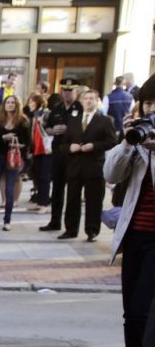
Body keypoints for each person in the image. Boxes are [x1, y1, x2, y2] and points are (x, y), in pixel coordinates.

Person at [97, 74, 155, 347]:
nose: (150, 111)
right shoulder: (136, 139)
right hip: (135, 235)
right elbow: (110, 175)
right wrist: (127, 143)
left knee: (146, 312)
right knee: (131, 313)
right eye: (147, 104)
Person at [60, 89, 117, 242]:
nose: (89, 101)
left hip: (94, 166)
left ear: (97, 101)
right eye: (86, 98)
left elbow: (112, 141)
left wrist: (94, 145)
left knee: (93, 200)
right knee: (72, 199)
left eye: (92, 98)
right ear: (82, 101)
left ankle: (92, 230)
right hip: (75, 166)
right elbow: (64, 144)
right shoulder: (74, 120)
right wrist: (70, 147)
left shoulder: (105, 121)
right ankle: (70, 229)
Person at [40, 79, 83, 232]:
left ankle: (71, 227)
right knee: (57, 189)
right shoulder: (57, 108)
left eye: (70, 90)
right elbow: (48, 127)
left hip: (73, 154)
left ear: (76, 91)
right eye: (64, 90)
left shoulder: (80, 108)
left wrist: (68, 129)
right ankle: (55, 221)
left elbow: (84, 129)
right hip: (58, 152)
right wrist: (52, 130)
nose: (67, 93)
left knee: (73, 192)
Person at [0, 94, 30, 231]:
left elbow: (28, 141)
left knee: (10, 191)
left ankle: (7, 220)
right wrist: (4, 137)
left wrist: (20, 146)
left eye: (13, 102)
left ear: (17, 105)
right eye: (8, 102)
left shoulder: (22, 121)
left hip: (13, 159)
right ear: (4, 105)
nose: (10, 104)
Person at [26, 94, 53, 215]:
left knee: (44, 177)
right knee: (37, 175)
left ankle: (45, 203)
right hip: (36, 148)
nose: (30, 105)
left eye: (32, 102)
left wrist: (44, 123)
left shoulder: (46, 113)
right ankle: (40, 201)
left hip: (45, 149)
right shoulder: (33, 115)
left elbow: (50, 129)